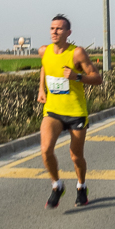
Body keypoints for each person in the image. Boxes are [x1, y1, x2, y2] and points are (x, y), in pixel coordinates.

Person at [37, 14, 103, 209]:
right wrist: (41, 89)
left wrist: (77, 76)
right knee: (45, 150)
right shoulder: (44, 51)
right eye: (52, 28)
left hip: (75, 112)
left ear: (68, 33)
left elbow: (97, 78)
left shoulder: (77, 53)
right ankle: (57, 185)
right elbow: (45, 68)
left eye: (59, 29)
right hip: (53, 111)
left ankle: (81, 186)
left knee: (76, 156)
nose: (54, 32)